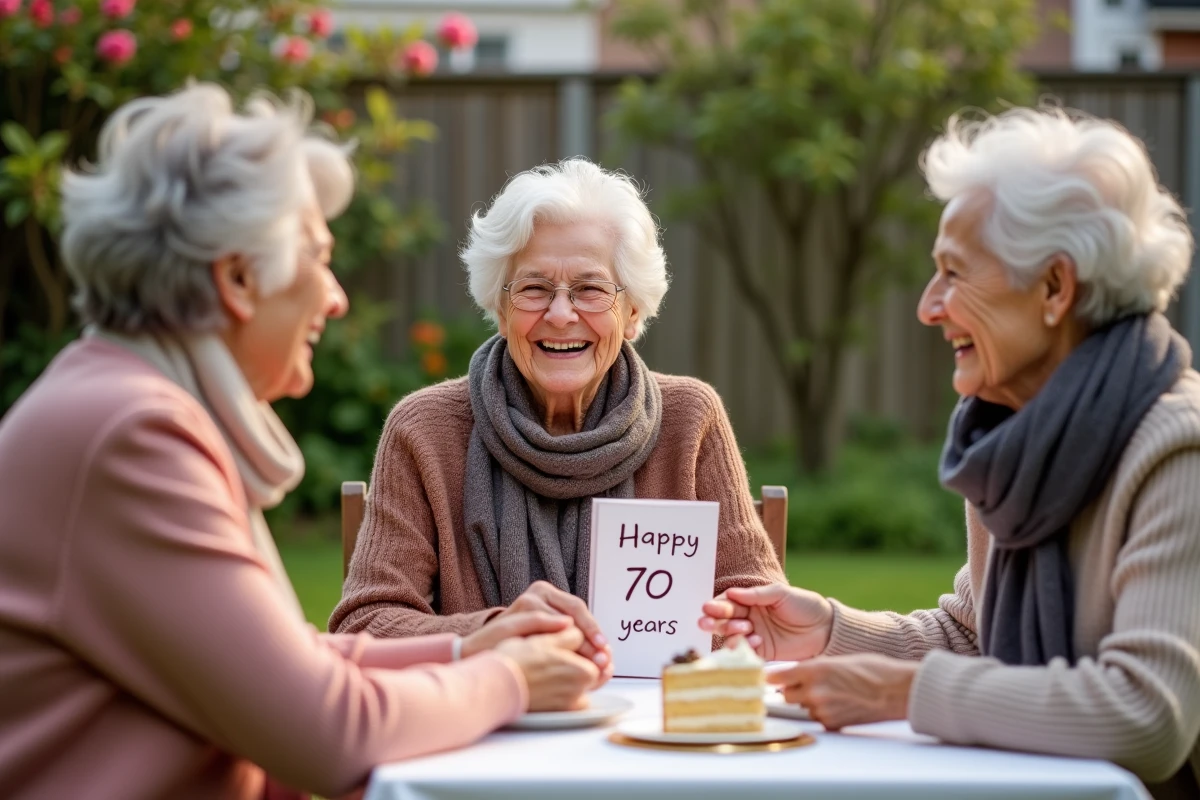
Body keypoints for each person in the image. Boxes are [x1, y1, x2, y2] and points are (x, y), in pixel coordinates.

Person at [0, 83, 599, 800]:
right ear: (239, 279)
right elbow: (329, 732)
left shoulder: (118, 402)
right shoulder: (132, 436)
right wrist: (508, 680)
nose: (336, 295)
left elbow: (277, 667)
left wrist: (465, 648)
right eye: (317, 258)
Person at [700, 107, 1200, 798]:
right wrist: (829, 630)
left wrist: (903, 692)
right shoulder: (1016, 439)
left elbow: (1148, 715)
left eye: (953, 274)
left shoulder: (1178, 448)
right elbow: (975, 636)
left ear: (1055, 288)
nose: (928, 306)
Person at [330, 158, 786, 659]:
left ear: (632, 312)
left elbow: (760, 616)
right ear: (500, 311)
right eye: (533, 289)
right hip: (486, 725)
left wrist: (659, 641)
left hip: (652, 728)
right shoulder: (425, 431)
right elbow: (364, 627)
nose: (562, 314)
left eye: (590, 289)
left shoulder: (690, 419)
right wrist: (498, 636)